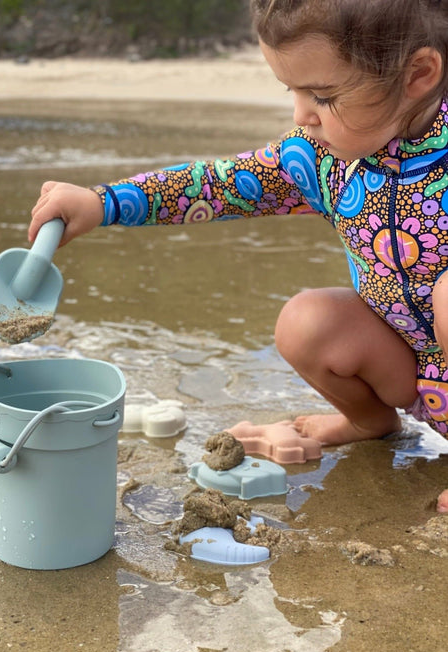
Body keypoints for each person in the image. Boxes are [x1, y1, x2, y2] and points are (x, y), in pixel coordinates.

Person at [29, 0, 448, 511]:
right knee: (307, 321)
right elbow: (222, 184)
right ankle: (369, 419)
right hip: (413, 372)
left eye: (322, 95)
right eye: (292, 91)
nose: (300, 115)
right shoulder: (322, 159)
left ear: (418, 75)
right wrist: (103, 202)